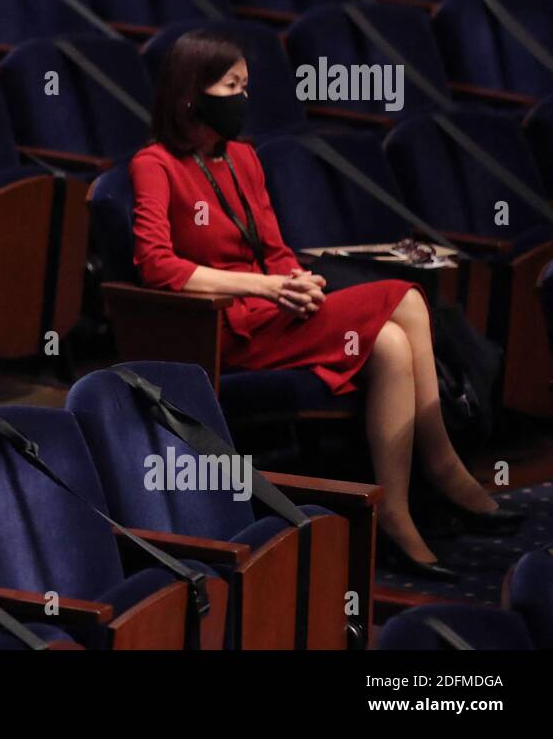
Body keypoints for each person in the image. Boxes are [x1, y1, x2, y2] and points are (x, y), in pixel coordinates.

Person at [129, 29, 521, 580]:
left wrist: (297, 280)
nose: (244, 98)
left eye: (247, 85)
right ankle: (443, 468)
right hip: (224, 328)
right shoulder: (155, 164)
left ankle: (393, 509)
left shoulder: (243, 158)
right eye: (231, 86)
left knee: (387, 341)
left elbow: (276, 249)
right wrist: (262, 287)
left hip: (276, 313)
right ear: (192, 94)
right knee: (404, 297)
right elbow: (155, 265)